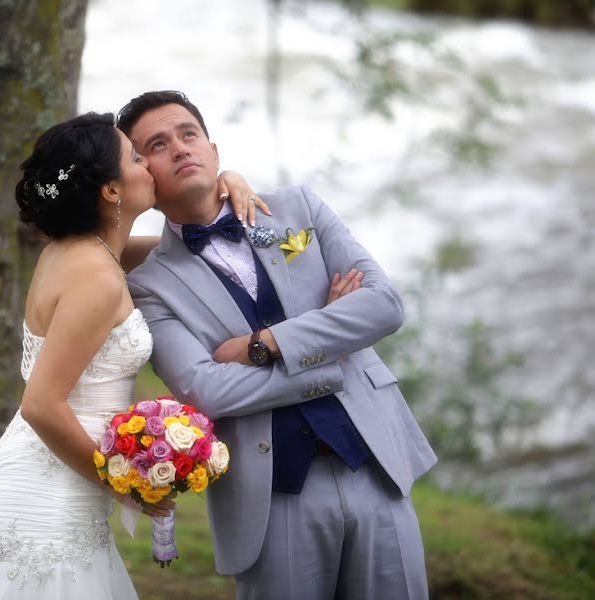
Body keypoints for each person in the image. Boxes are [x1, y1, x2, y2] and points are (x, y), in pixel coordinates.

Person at [119, 91, 438, 600]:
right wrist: (331, 347)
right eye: (157, 145)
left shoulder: (298, 209)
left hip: (373, 462)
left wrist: (265, 344)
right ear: (142, 176)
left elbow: (383, 305)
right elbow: (206, 390)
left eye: (188, 134)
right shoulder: (150, 283)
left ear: (214, 151)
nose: (180, 149)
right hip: (271, 496)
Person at [0, 112, 268, 599]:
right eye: (135, 156)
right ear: (110, 191)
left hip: (49, 473)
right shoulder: (97, 276)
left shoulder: (86, 251)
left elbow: (186, 249)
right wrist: (122, 481)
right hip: (52, 489)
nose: (148, 163)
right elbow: (40, 404)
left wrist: (224, 185)